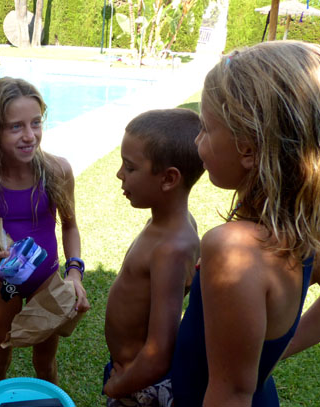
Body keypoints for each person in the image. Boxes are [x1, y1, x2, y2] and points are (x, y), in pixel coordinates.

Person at [170, 40, 320, 406]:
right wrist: (266, 353)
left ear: (247, 148)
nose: (197, 141)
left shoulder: (232, 248)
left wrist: (266, 354)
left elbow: (230, 395)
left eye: (205, 128)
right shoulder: (308, 232)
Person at [0, 77, 90, 385]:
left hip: (47, 281)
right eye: (16, 126)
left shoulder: (57, 170)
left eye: (36, 123)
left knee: (45, 364)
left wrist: (74, 272)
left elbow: (70, 226)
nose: (30, 136)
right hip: (1, 281)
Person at [103, 109, 204, 406]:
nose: (120, 174)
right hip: (131, 373)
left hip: (141, 383)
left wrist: (118, 387)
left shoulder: (170, 249)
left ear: (169, 178)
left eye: (130, 167)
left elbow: (160, 351)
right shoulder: (164, 225)